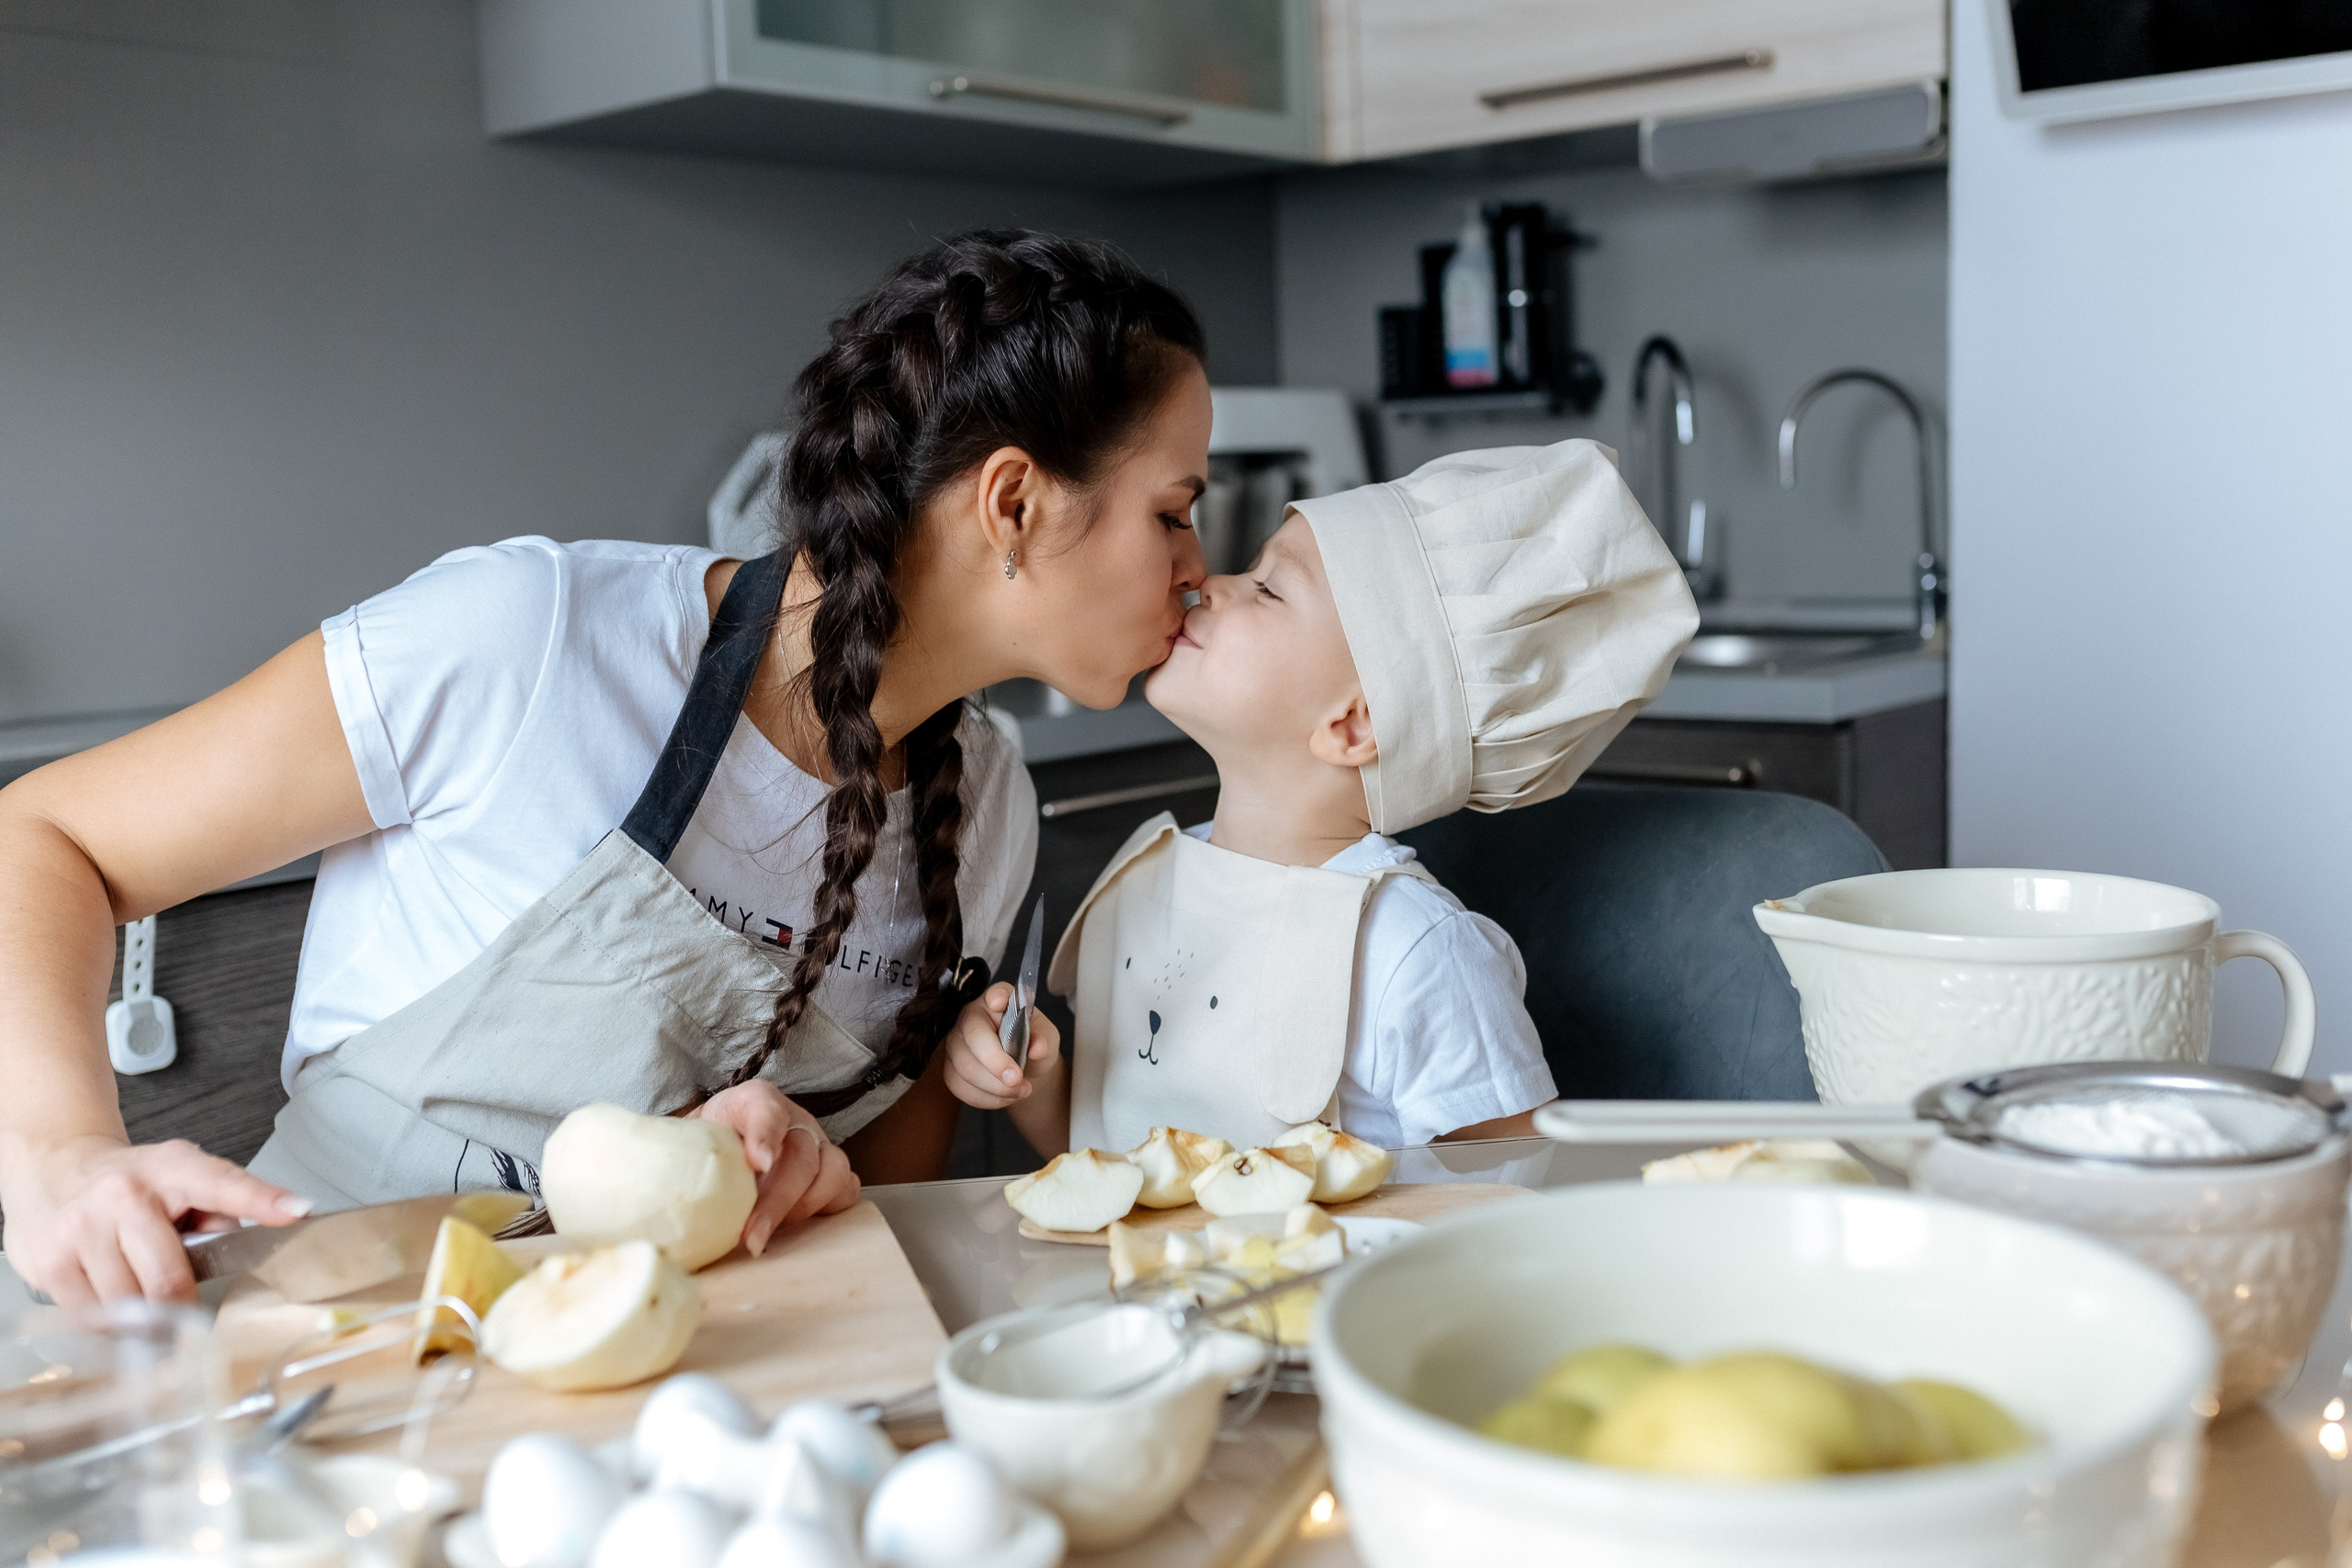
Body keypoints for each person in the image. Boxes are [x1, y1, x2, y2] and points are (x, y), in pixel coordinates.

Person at [0, 230, 1215, 1305]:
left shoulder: (989, 807)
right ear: (1013, 501)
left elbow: (867, 1224)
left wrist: (793, 1173)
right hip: (295, 1366)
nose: (1199, 566)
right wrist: (60, 1154)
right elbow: (46, 836)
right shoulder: (531, 637)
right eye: (1175, 510)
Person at [944, 440, 1698, 1156]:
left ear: (1353, 722)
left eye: (1268, 587)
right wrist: (1031, 1085)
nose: (1205, 581)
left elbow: (1512, 1194)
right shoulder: (1144, 874)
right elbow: (1102, 1152)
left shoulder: (1414, 953)